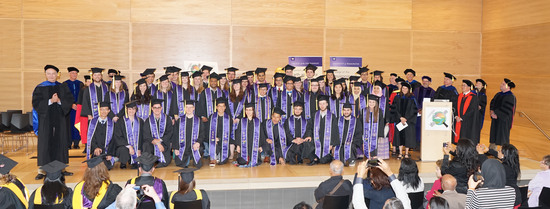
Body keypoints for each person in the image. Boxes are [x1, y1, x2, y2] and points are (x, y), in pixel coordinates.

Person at [32, 64, 74, 180]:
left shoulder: (63, 87)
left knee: (60, 143)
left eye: (53, 73)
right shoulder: (40, 88)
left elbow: (69, 101)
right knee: (45, 143)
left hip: (60, 120)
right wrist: (50, 101)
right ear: (45, 75)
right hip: (46, 120)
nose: (51, 76)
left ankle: (61, 169)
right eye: (49, 73)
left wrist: (59, 101)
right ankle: (42, 170)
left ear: (57, 75)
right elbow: (36, 103)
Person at [304, 95, 339, 165]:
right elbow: (309, 127)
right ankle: (314, 159)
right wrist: (309, 136)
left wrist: (332, 144)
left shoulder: (332, 116)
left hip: (327, 142)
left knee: (323, 161)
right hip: (316, 140)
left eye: (323, 103)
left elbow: (335, 131)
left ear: (327, 104)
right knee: (307, 142)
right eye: (320, 104)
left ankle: (326, 157)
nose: (322, 105)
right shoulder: (314, 115)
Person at [142, 99, 173, 168]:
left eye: (158, 107)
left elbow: (169, 133)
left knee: (166, 162)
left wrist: (160, 141)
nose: (157, 109)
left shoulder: (167, 119)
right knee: (146, 145)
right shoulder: (148, 120)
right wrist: (156, 143)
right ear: (152, 108)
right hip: (152, 144)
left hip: (163, 143)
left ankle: (158, 159)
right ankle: (149, 162)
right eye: (155, 107)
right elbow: (146, 135)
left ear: (161, 108)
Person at [173, 99, 204, 169]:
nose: (189, 109)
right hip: (183, 147)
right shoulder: (180, 121)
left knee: (198, 165)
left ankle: (191, 158)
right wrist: (176, 148)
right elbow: (175, 135)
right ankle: (187, 158)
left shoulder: (198, 120)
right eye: (187, 107)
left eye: (190, 107)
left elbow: (202, 134)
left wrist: (198, 142)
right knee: (179, 163)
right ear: (185, 108)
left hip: (194, 146)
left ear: (194, 108)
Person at [392, 83, 418, 159]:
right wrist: (400, 117)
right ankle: (400, 153)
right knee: (399, 137)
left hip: (408, 122)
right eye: (403, 88)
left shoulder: (412, 98)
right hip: (399, 120)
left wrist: (406, 118)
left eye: (406, 88)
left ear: (409, 90)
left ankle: (406, 153)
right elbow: (394, 109)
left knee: (407, 137)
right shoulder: (397, 97)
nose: (404, 90)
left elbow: (414, 111)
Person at [114, 101, 143, 169]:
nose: (131, 111)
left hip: (137, 147)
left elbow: (142, 137)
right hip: (125, 146)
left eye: (133, 109)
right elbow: (118, 136)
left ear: (136, 110)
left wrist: (139, 149)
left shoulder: (140, 121)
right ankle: (123, 162)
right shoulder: (120, 121)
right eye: (129, 109)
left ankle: (135, 162)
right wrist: (129, 146)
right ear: (126, 110)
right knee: (123, 149)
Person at [87, 102, 116, 169]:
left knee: (107, 167)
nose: (103, 111)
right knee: (94, 166)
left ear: (109, 111)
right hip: (97, 151)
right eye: (102, 109)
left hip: (107, 152)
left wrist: (110, 154)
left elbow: (113, 140)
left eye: (106, 109)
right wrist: (95, 148)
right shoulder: (93, 122)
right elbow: (91, 138)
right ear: (99, 110)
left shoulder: (112, 124)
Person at [234, 102, 264, 167]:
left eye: (250, 110)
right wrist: (238, 145)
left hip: (254, 145)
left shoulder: (257, 121)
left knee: (255, 161)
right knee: (242, 162)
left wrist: (261, 145)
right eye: (247, 110)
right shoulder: (242, 121)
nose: (248, 112)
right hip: (244, 145)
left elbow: (261, 134)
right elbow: (238, 134)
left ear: (253, 111)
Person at [489, 78, 516, 149]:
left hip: (503, 120)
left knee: (502, 137)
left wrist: (497, 114)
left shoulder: (511, 96)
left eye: (503, 84)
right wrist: (492, 112)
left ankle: (503, 152)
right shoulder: (498, 94)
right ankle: (492, 150)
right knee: (494, 134)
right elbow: (492, 103)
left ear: (508, 86)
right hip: (495, 118)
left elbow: (507, 109)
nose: (501, 85)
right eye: (501, 83)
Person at [205, 97, 233, 167]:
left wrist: (219, 139)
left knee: (222, 161)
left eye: (223, 106)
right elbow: (208, 130)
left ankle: (218, 156)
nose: (221, 108)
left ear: (225, 107)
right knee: (213, 143)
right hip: (214, 140)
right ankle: (213, 158)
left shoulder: (229, 118)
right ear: (216, 107)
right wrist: (214, 138)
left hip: (224, 141)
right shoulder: (212, 117)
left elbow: (229, 132)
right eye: (219, 106)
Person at [453, 80, 480, 144]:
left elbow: (472, 110)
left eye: (464, 85)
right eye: (462, 85)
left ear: (469, 87)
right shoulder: (459, 96)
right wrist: (456, 116)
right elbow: (455, 107)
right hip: (458, 121)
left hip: (468, 122)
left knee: (466, 139)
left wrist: (462, 118)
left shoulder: (473, 97)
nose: (462, 87)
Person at [64, 66, 84, 149]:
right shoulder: (65, 84)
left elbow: (83, 96)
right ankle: (68, 143)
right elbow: (63, 97)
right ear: (69, 74)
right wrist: (71, 104)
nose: (74, 74)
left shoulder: (80, 84)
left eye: (76, 73)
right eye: (72, 73)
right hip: (69, 109)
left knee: (78, 125)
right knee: (68, 126)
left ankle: (76, 143)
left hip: (78, 108)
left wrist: (78, 104)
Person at [413, 76, 435, 145]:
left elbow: (432, 102)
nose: (425, 82)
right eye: (424, 81)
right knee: (417, 127)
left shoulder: (432, 92)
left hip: (427, 113)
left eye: (426, 81)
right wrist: (419, 109)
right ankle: (416, 143)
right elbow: (414, 100)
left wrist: (424, 110)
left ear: (430, 82)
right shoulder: (417, 90)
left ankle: (424, 143)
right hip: (417, 112)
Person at [362, 95, 385, 159]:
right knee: (367, 144)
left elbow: (381, 123)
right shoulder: (363, 111)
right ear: (367, 102)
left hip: (375, 133)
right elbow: (360, 123)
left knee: (374, 145)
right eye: (370, 102)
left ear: (376, 103)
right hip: (366, 132)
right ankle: (368, 157)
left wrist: (381, 134)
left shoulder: (379, 111)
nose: (371, 104)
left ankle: (373, 157)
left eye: (373, 102)